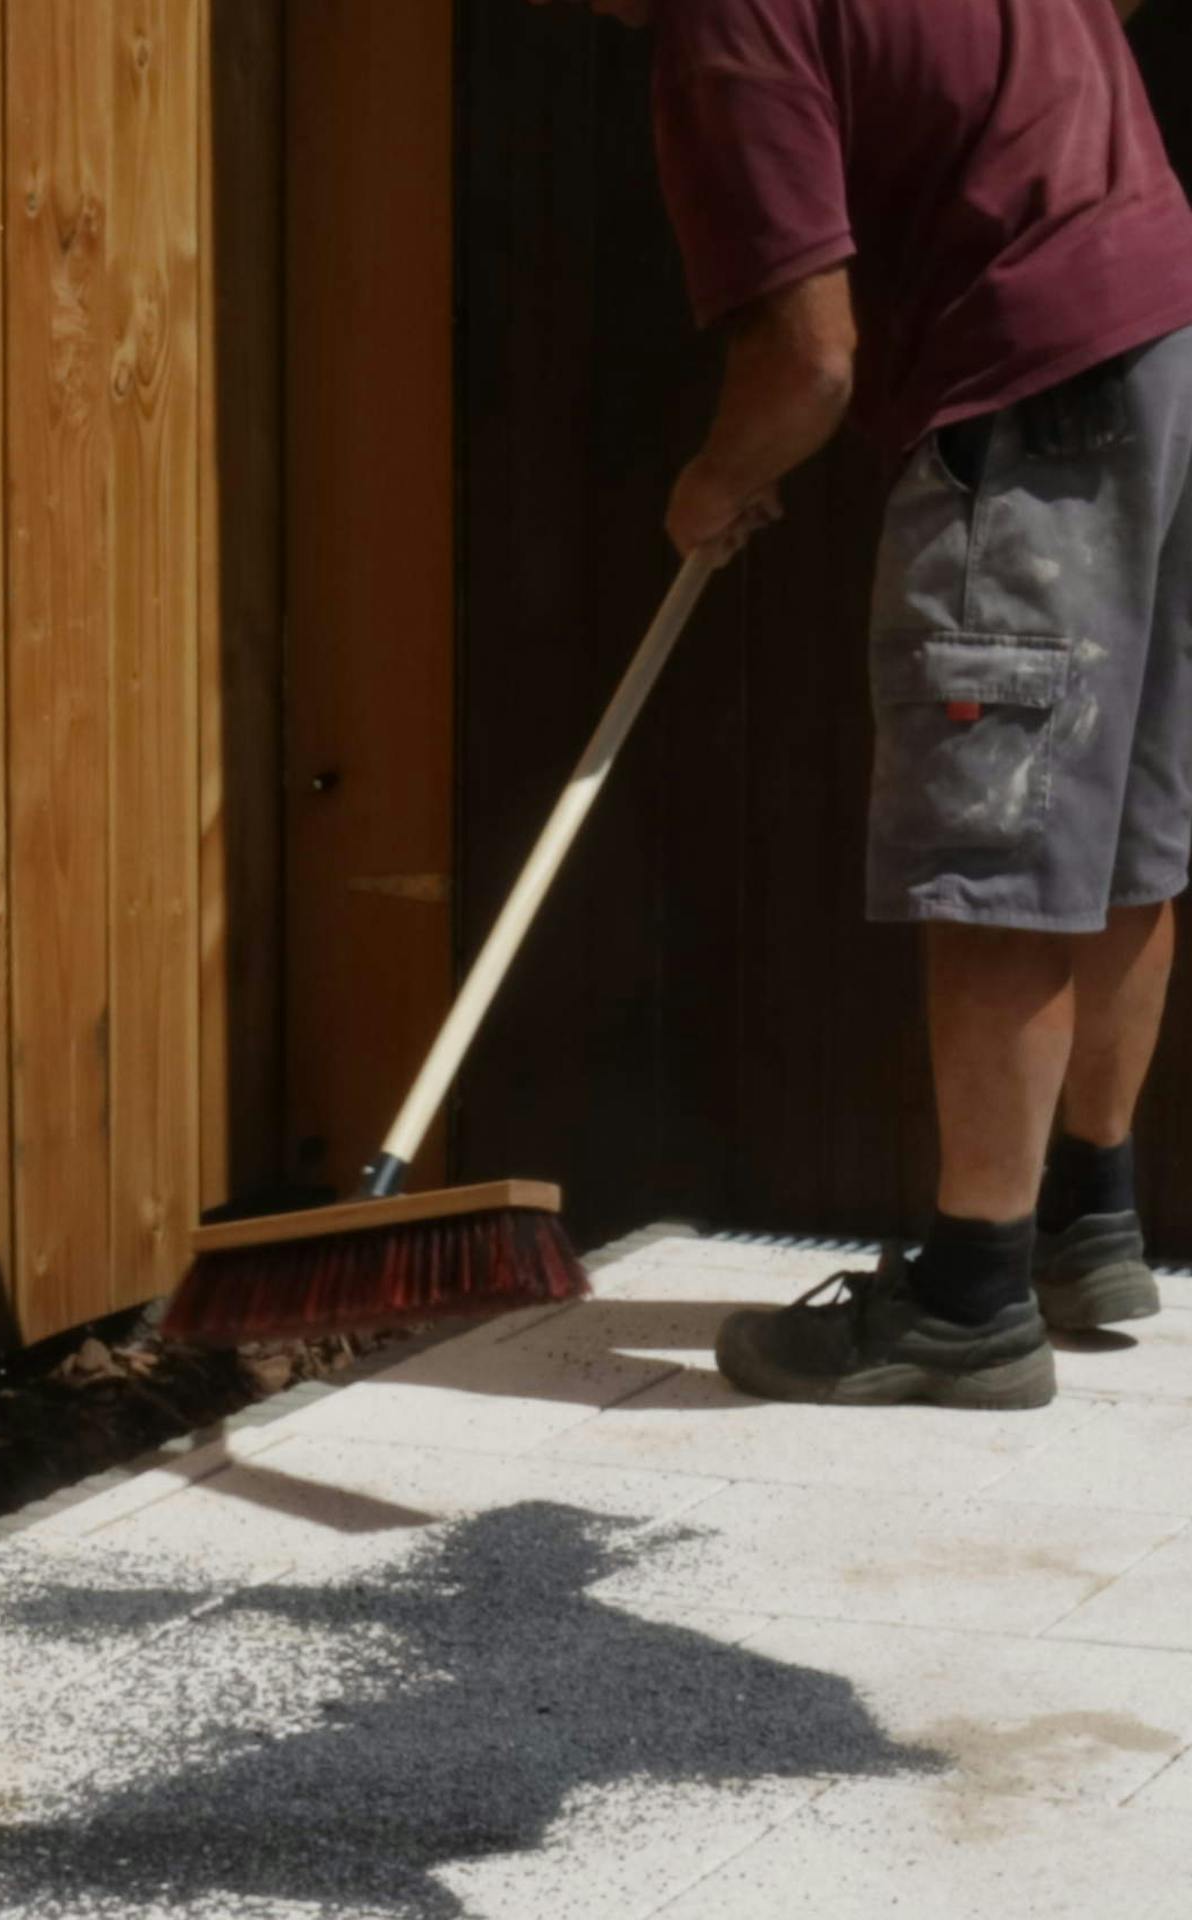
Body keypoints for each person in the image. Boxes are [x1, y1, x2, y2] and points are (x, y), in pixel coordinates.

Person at [538, 0, 1192, 1407]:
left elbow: (808, 360)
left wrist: (714, 482)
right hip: (1172, 338)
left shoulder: (728, 26)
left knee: (998, 830)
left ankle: (971, 1298)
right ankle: (1089, 1215)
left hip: (1042, 385)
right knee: (1127, 809)